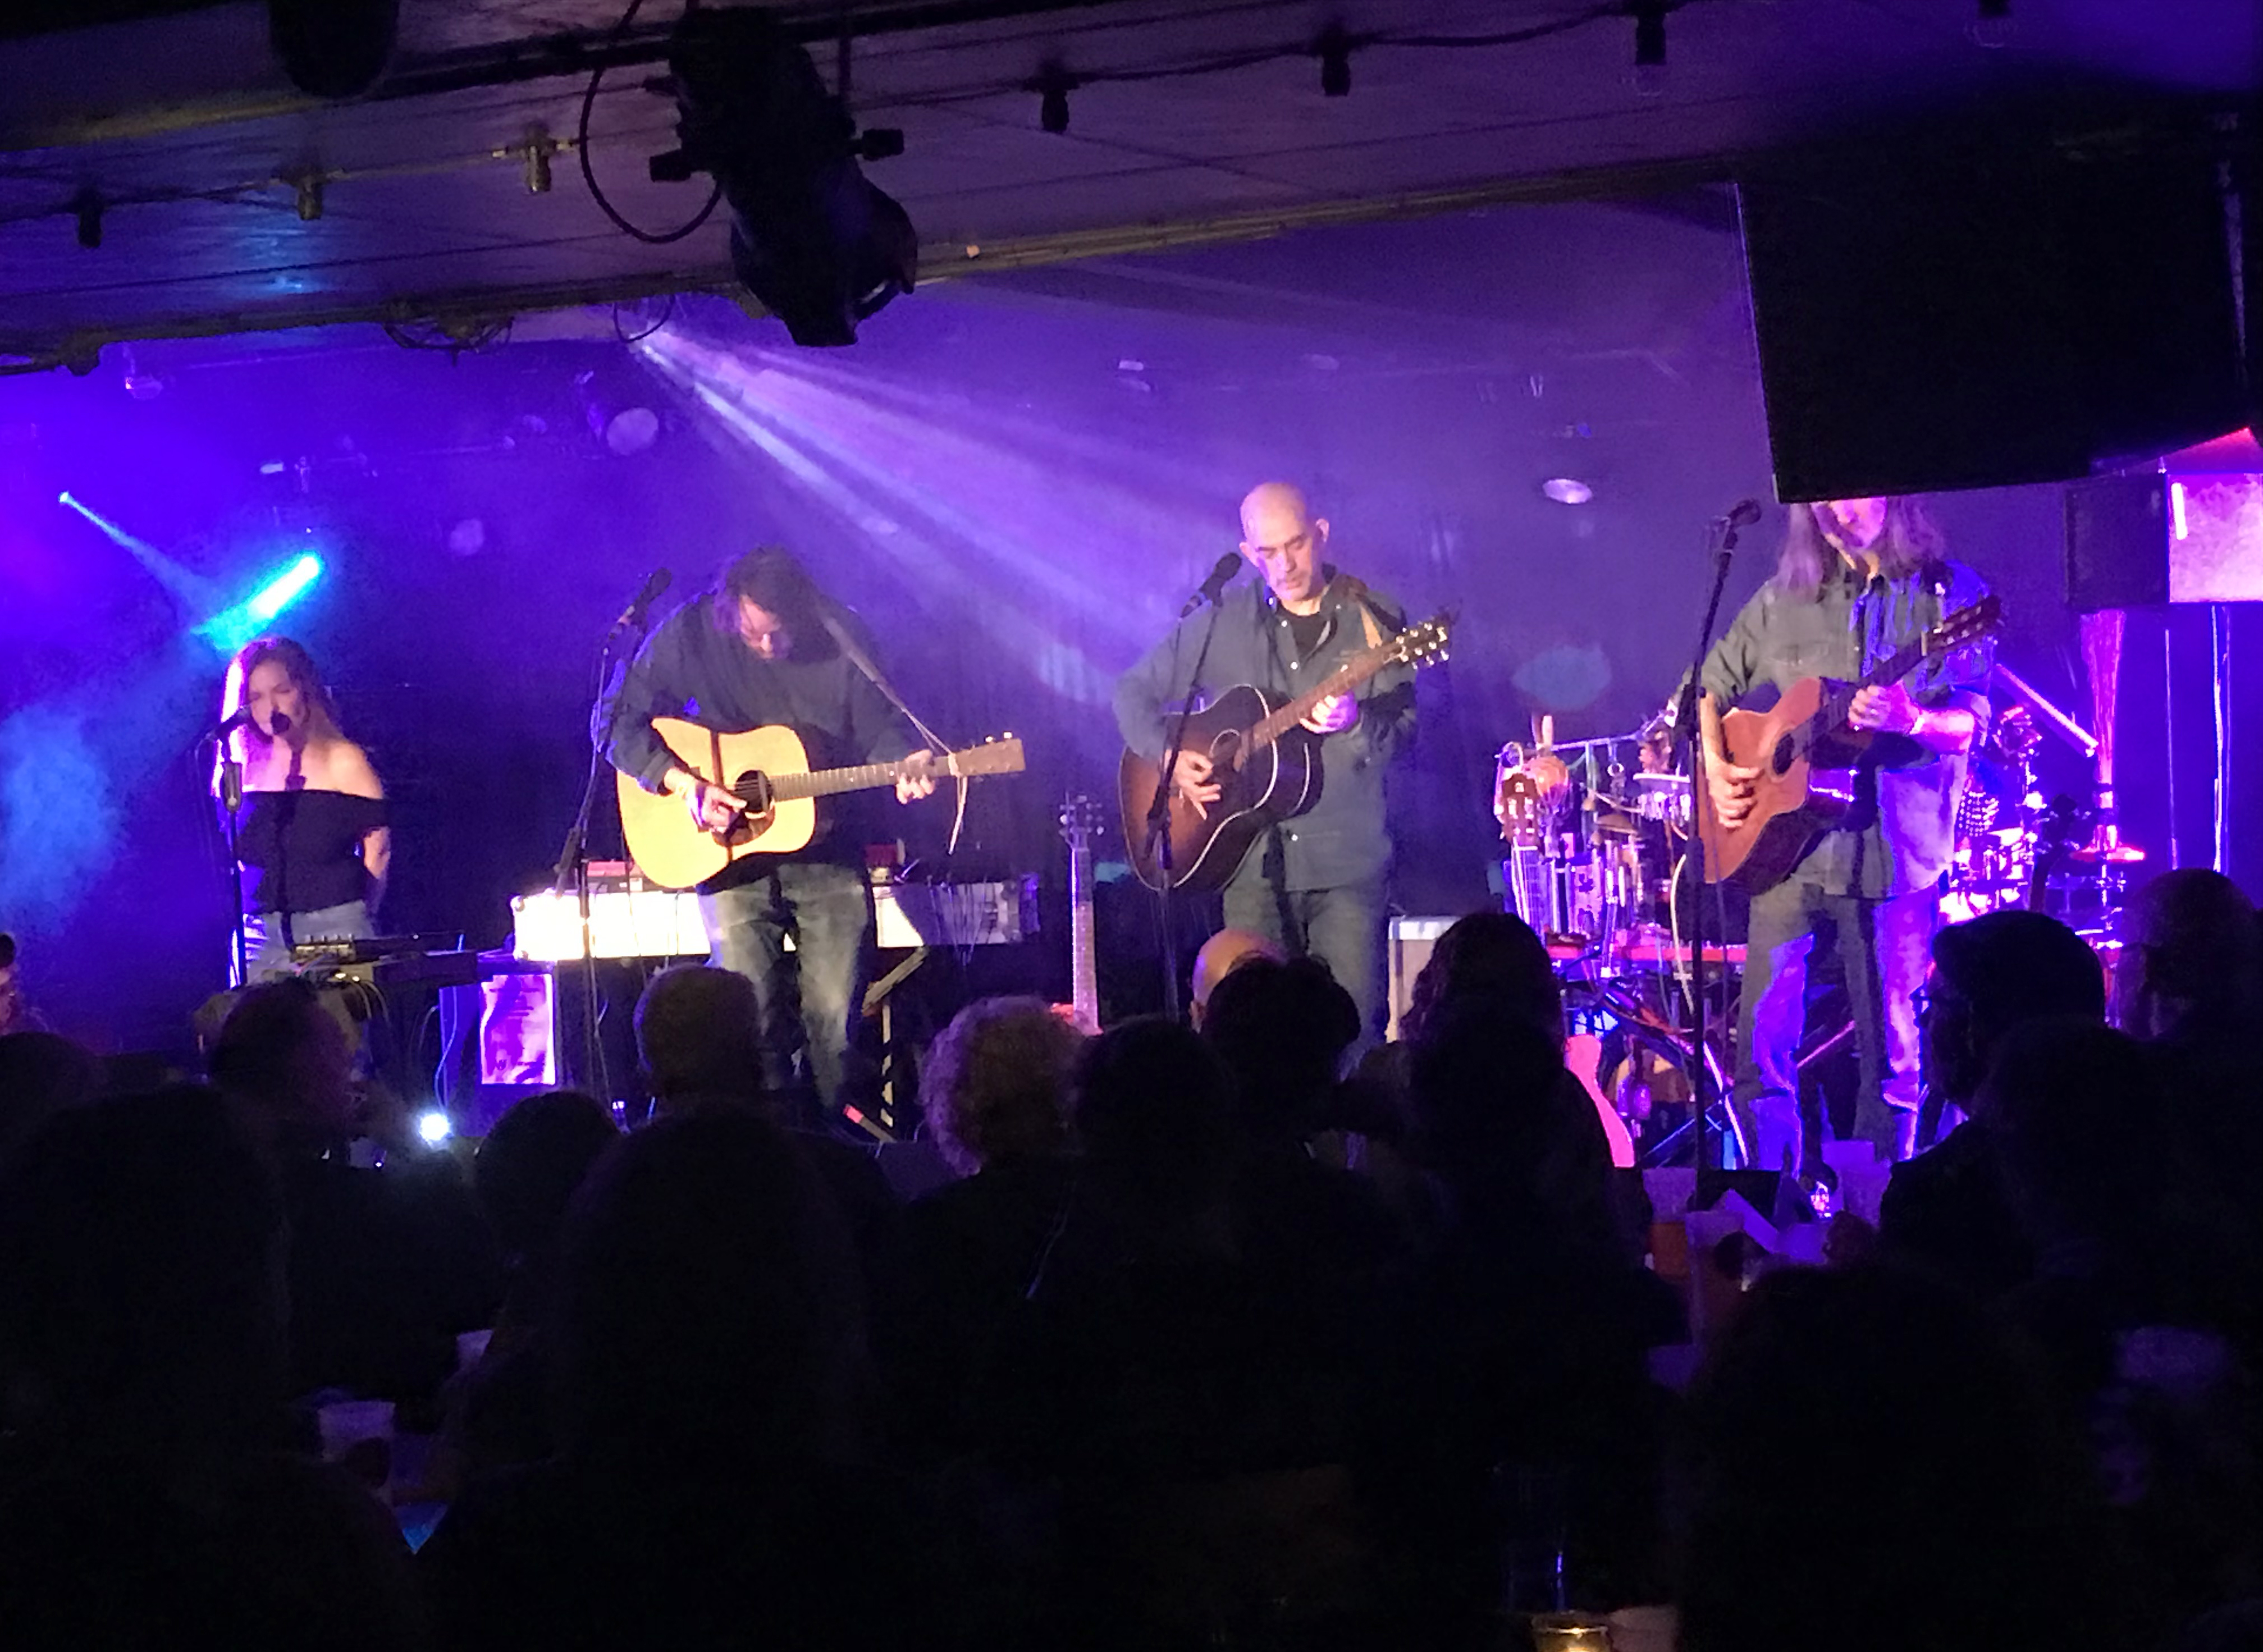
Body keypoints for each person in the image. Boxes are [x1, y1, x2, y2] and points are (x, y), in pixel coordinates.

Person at [1700, 496, 1992, 1166]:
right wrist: (1716, 767)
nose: (1833, 512)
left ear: (1890, 494)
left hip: (1892, 852)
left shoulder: (1950, 594)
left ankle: (1879, 1207)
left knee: (1890, 1057)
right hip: (1784, 854)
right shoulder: (1781, 598)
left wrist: (1910, 719)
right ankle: (1770, 1204)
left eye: (1847, 494)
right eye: (1818, 501)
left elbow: (1970, 724)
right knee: (1759, 1051)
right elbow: (1705, 688)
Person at [596, 547, 935, 1120]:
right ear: (729, 610)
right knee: (744, 1020)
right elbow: (612, 721)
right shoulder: (690, 632)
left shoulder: (842, 634)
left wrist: (907, 761)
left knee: (835, 1024)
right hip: (726, 857)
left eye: (780, 632)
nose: (769, 645)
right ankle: (760, 1141)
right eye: (754, 633)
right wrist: (684, 783)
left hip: (827, 852)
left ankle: (823, 1143)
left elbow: (883, 728)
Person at [1115, 483, 1417, 1045]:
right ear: (1248, 553)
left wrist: (1353, 722)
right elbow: (1131, 692)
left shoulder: (1375, 619)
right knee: (1251, 1044)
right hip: (1248, 865)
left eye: (1296, 545)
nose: (1284, 565)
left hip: (1346, 866)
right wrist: (1167, 756)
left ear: (1320, 534)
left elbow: (1403, 737)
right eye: (1267, 552)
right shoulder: (1222, 622)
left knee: (1349, 1035)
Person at [214, 637, 390, 983]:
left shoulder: (344, 759)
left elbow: (378, 849)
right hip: (258, 936)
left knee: (331, 1019)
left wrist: (360, 914)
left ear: (304, 691)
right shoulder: (238, 769)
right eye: (256, 697)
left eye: (282, 691)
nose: (271, 707)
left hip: (334, 928)